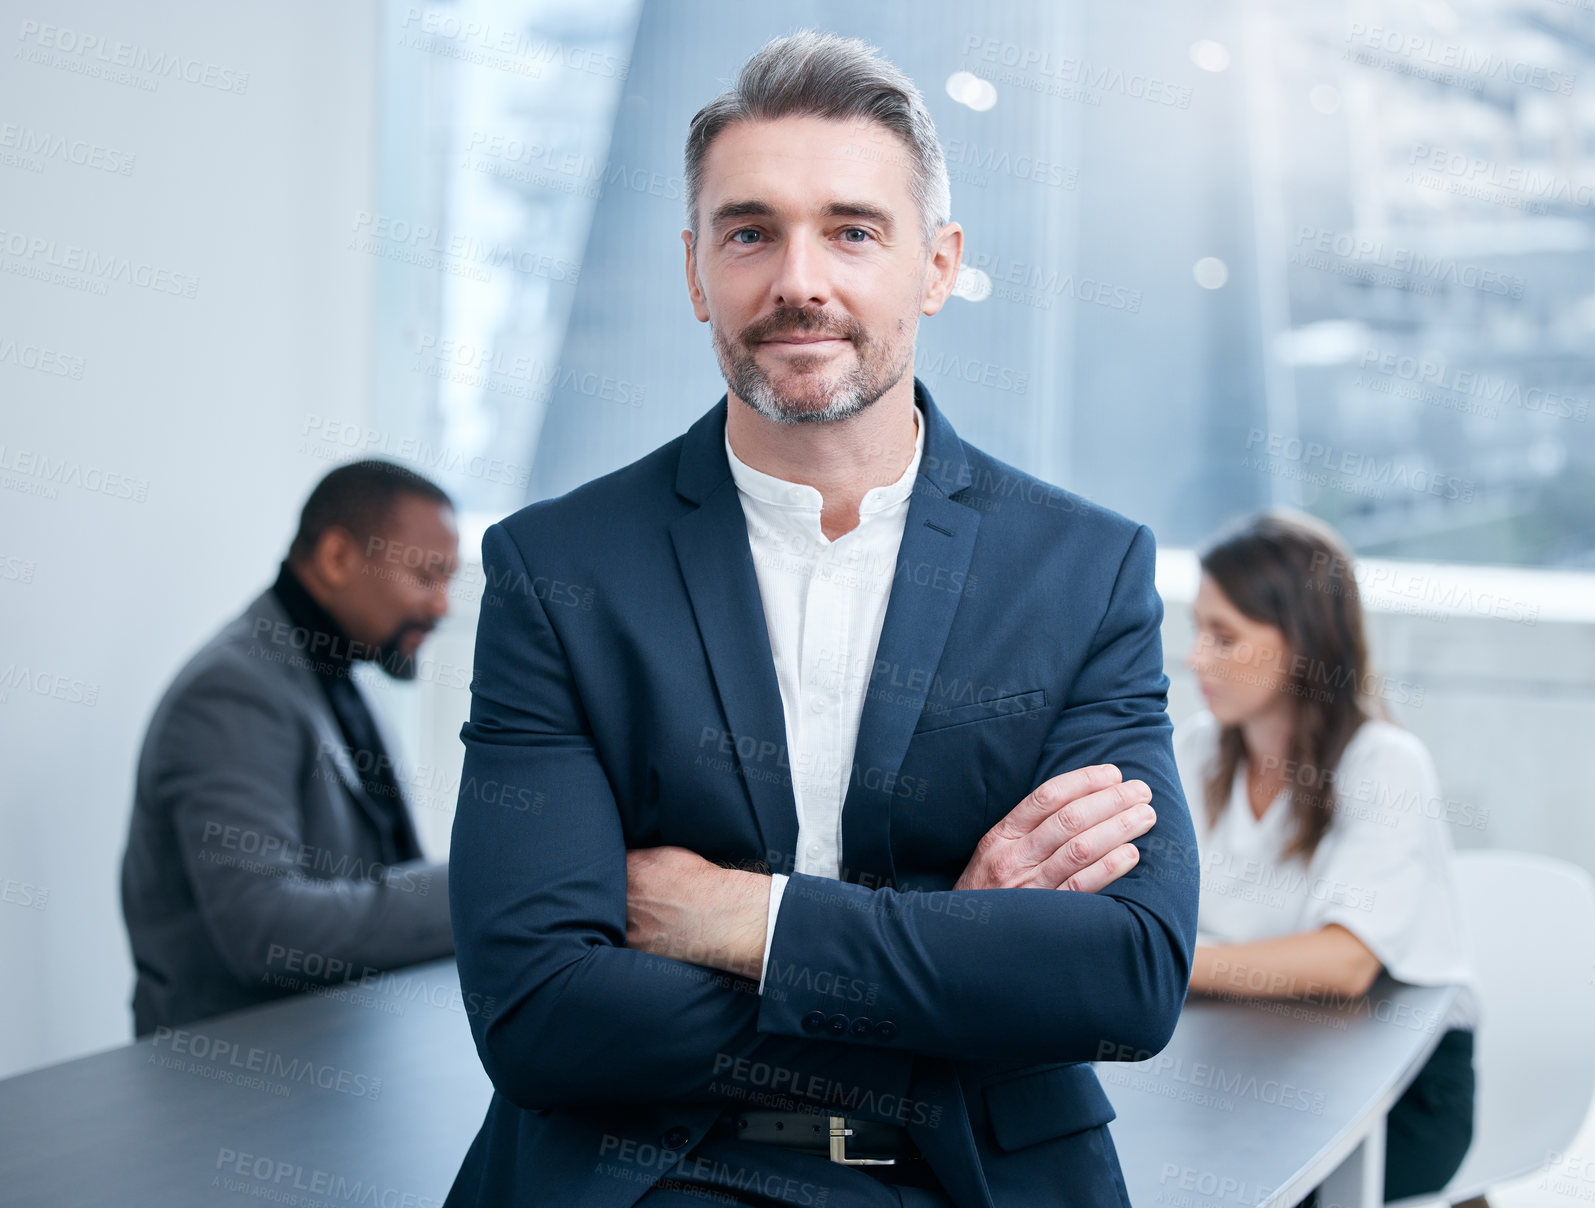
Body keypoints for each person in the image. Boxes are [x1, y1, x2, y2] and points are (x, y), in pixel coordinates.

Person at [444, 30, 1199, 1208]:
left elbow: (1129, 976)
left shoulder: (1083, 571)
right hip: (651, 1172)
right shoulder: (558, 571)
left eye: (853, 230)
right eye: (751, 232)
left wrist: (750, 916)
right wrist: (957, 947)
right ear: (697, 271)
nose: (801, 279)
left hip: (973, 1177)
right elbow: (537, 1010)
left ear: (936, 266)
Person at [1172, 508, 1479, 1202]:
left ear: (1302, 645)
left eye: (1223, 637)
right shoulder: (1193, 751)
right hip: (1243, 1046)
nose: (1195, 658)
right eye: (1198, 632)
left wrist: (1168, 964)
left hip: (1399, 1083)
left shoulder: (1383, 763)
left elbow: (1344, 963)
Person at [120, 458, 459, 1034]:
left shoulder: (336, 671)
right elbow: (267, 930)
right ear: (337, 559)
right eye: (427, 576)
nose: (442, 605)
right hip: (225, 1092)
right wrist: (483, 887)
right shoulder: (230, 694)